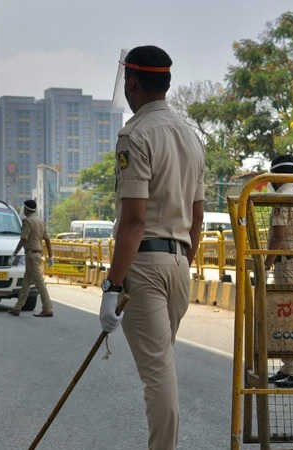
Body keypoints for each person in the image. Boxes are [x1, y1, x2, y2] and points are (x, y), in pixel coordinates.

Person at [99, 45, 204, 450]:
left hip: (144, 264)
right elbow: (197, 218)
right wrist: (183, 262)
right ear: (169, 82)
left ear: (133, 82)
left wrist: (113, 285)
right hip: (180, 263)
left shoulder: (136, 134)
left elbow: (134, 220)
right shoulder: (191, 137)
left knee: (158, 376)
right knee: (162, 368)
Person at [264, 154, 293, 388]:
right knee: (292, 315)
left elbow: (278, 236)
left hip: (287, 262)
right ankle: (290, 367)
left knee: (289, 316)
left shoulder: (282, 197)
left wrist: (266, 263)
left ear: (276, 175)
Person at [8, 199, 54, 317]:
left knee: (39, 283)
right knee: (26, 283)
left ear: (26, 209)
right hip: (38, 254)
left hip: (31, 255)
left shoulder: (27, 221)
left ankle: (47, 308)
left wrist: (14, 254)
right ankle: (18, 307)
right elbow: (47, 240)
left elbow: (23, 239)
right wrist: (50, 257)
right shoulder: (40, 221)